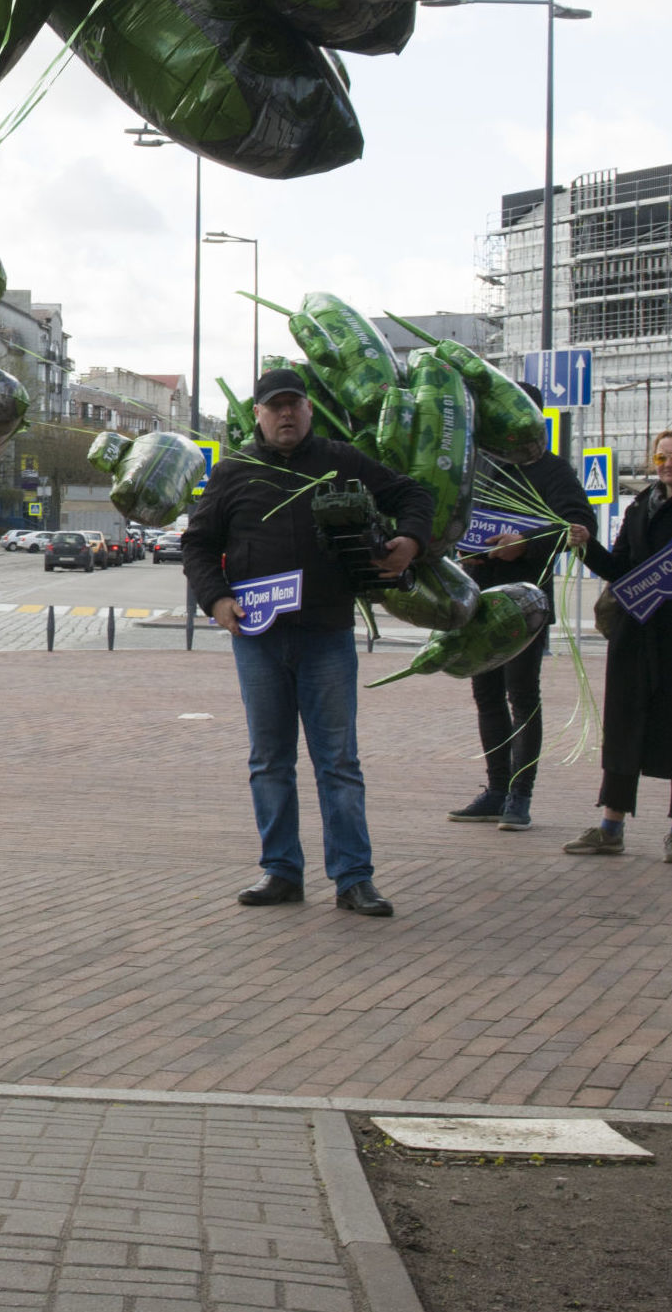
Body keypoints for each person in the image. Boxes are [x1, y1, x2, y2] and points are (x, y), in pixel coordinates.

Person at [180, 365, 435, 918]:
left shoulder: (341, 461)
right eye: (275, 406)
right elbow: (197, 545)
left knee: (338, 760)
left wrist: (409, 540)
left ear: (309, 409)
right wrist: (217, 600)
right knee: (269, 760)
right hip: (258, 637)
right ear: (259, 415)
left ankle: (353, 878)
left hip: (326, 633)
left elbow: (413, 491)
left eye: (294, 404)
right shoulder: (235, 470)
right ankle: (281, 871)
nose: (286, 414)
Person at [564, 427, 672, 864]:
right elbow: (620, 568)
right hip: (635, 633)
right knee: (624, 727)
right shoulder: (639, 507)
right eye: (660, 458)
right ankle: (610, 826)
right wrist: (586, 548)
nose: (667, 465)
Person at [445, 441, 599, 832]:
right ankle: (496, 789)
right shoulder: (478, 467)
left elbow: (580, 524)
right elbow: (454, 517)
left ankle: (520, 794)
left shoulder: (551, 470)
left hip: (523, 605)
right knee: (487, 696)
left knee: (522, 695)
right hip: (478, 599)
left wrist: (525, 545)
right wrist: (460, 550)